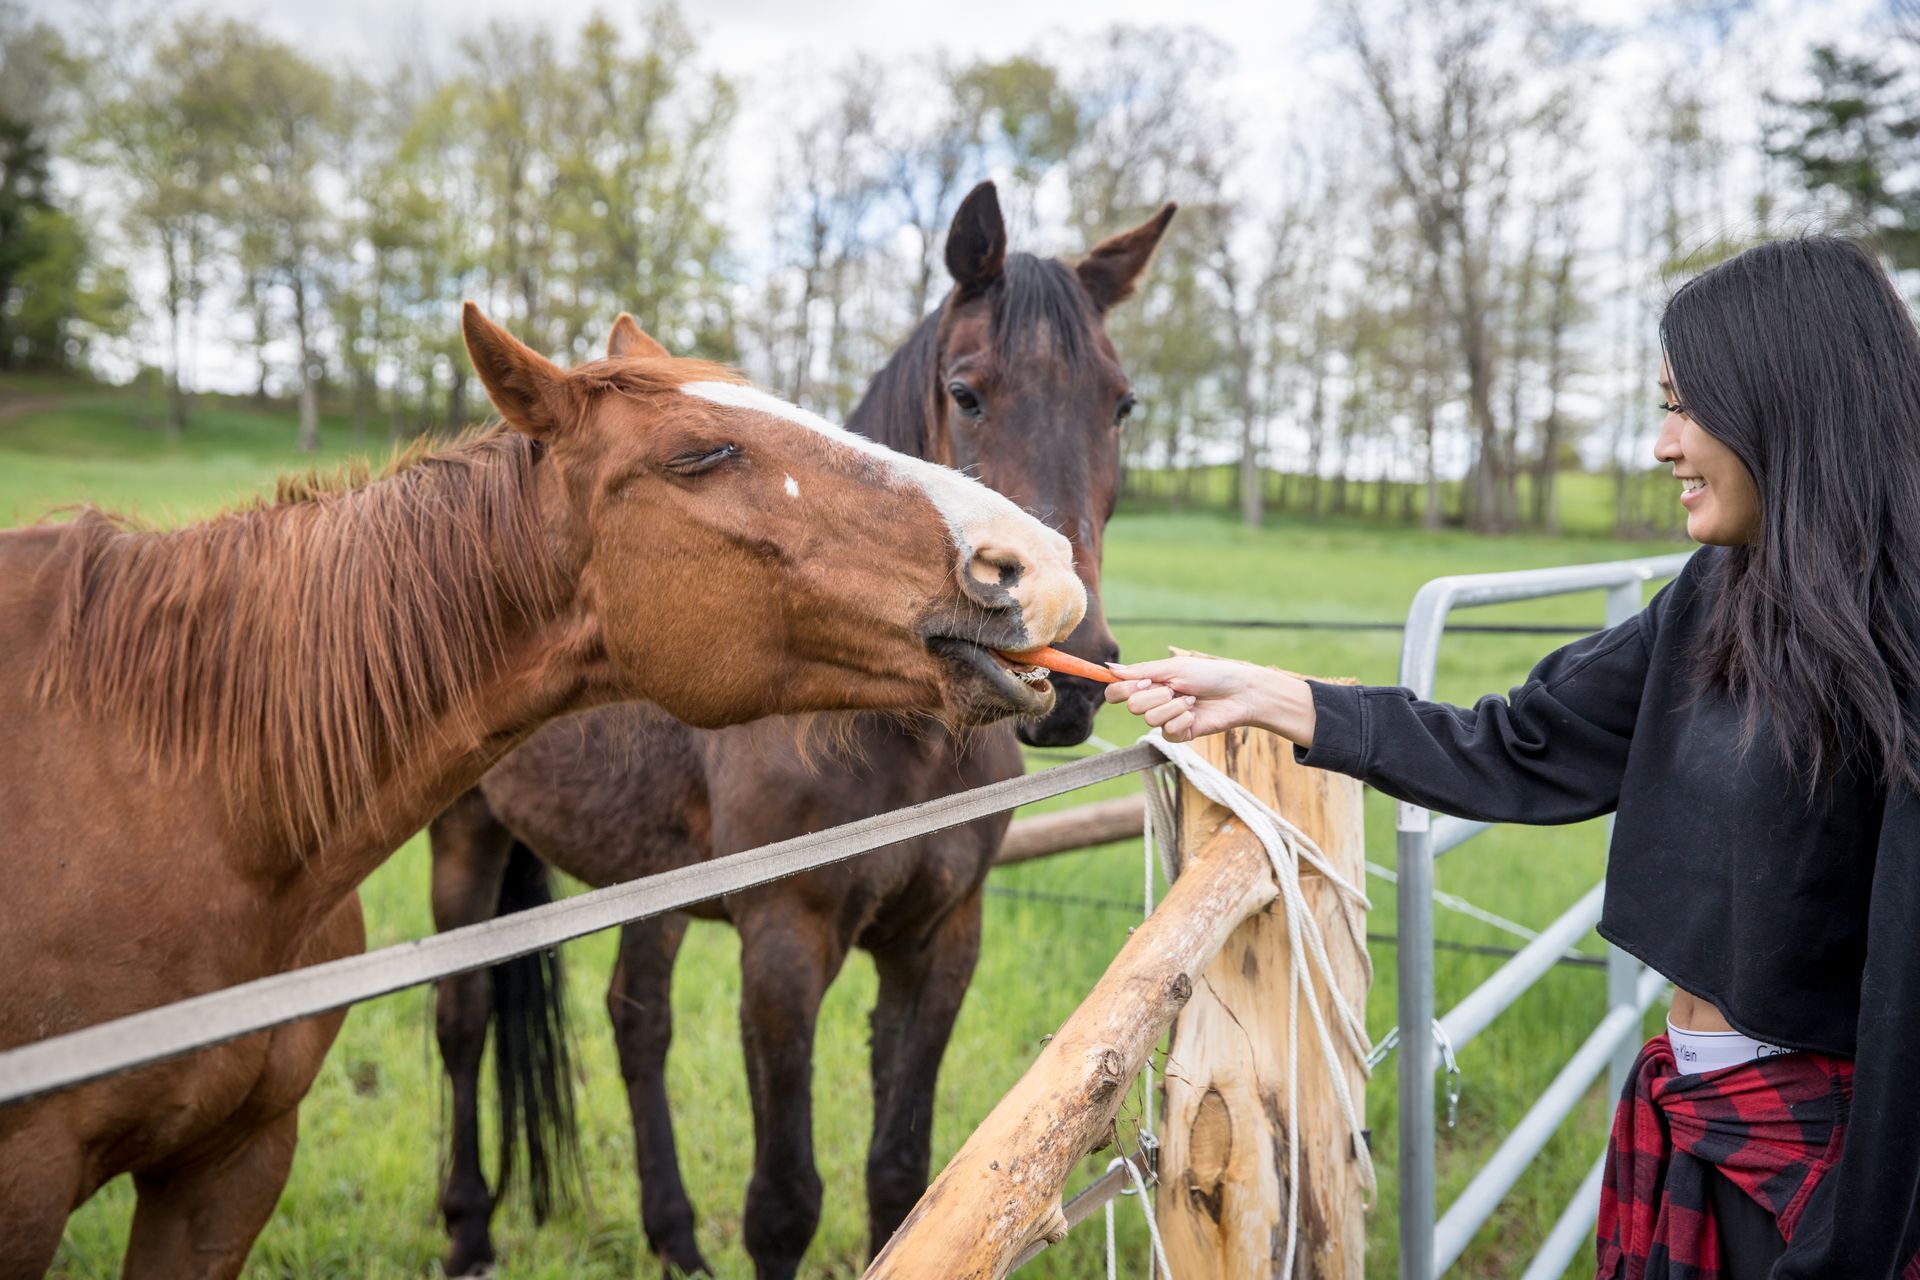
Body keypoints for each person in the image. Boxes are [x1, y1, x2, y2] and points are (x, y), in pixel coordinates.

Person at [1104, 236, 1920, 1278]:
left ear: (1785, 403)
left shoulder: (1898, 646)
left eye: (1686, 405)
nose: (1663, 444)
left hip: (1834, 1172)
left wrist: (1852, 1241)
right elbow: (1518, 742)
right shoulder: (1719, 598)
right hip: (1699, 1111)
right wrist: (1275, 696)